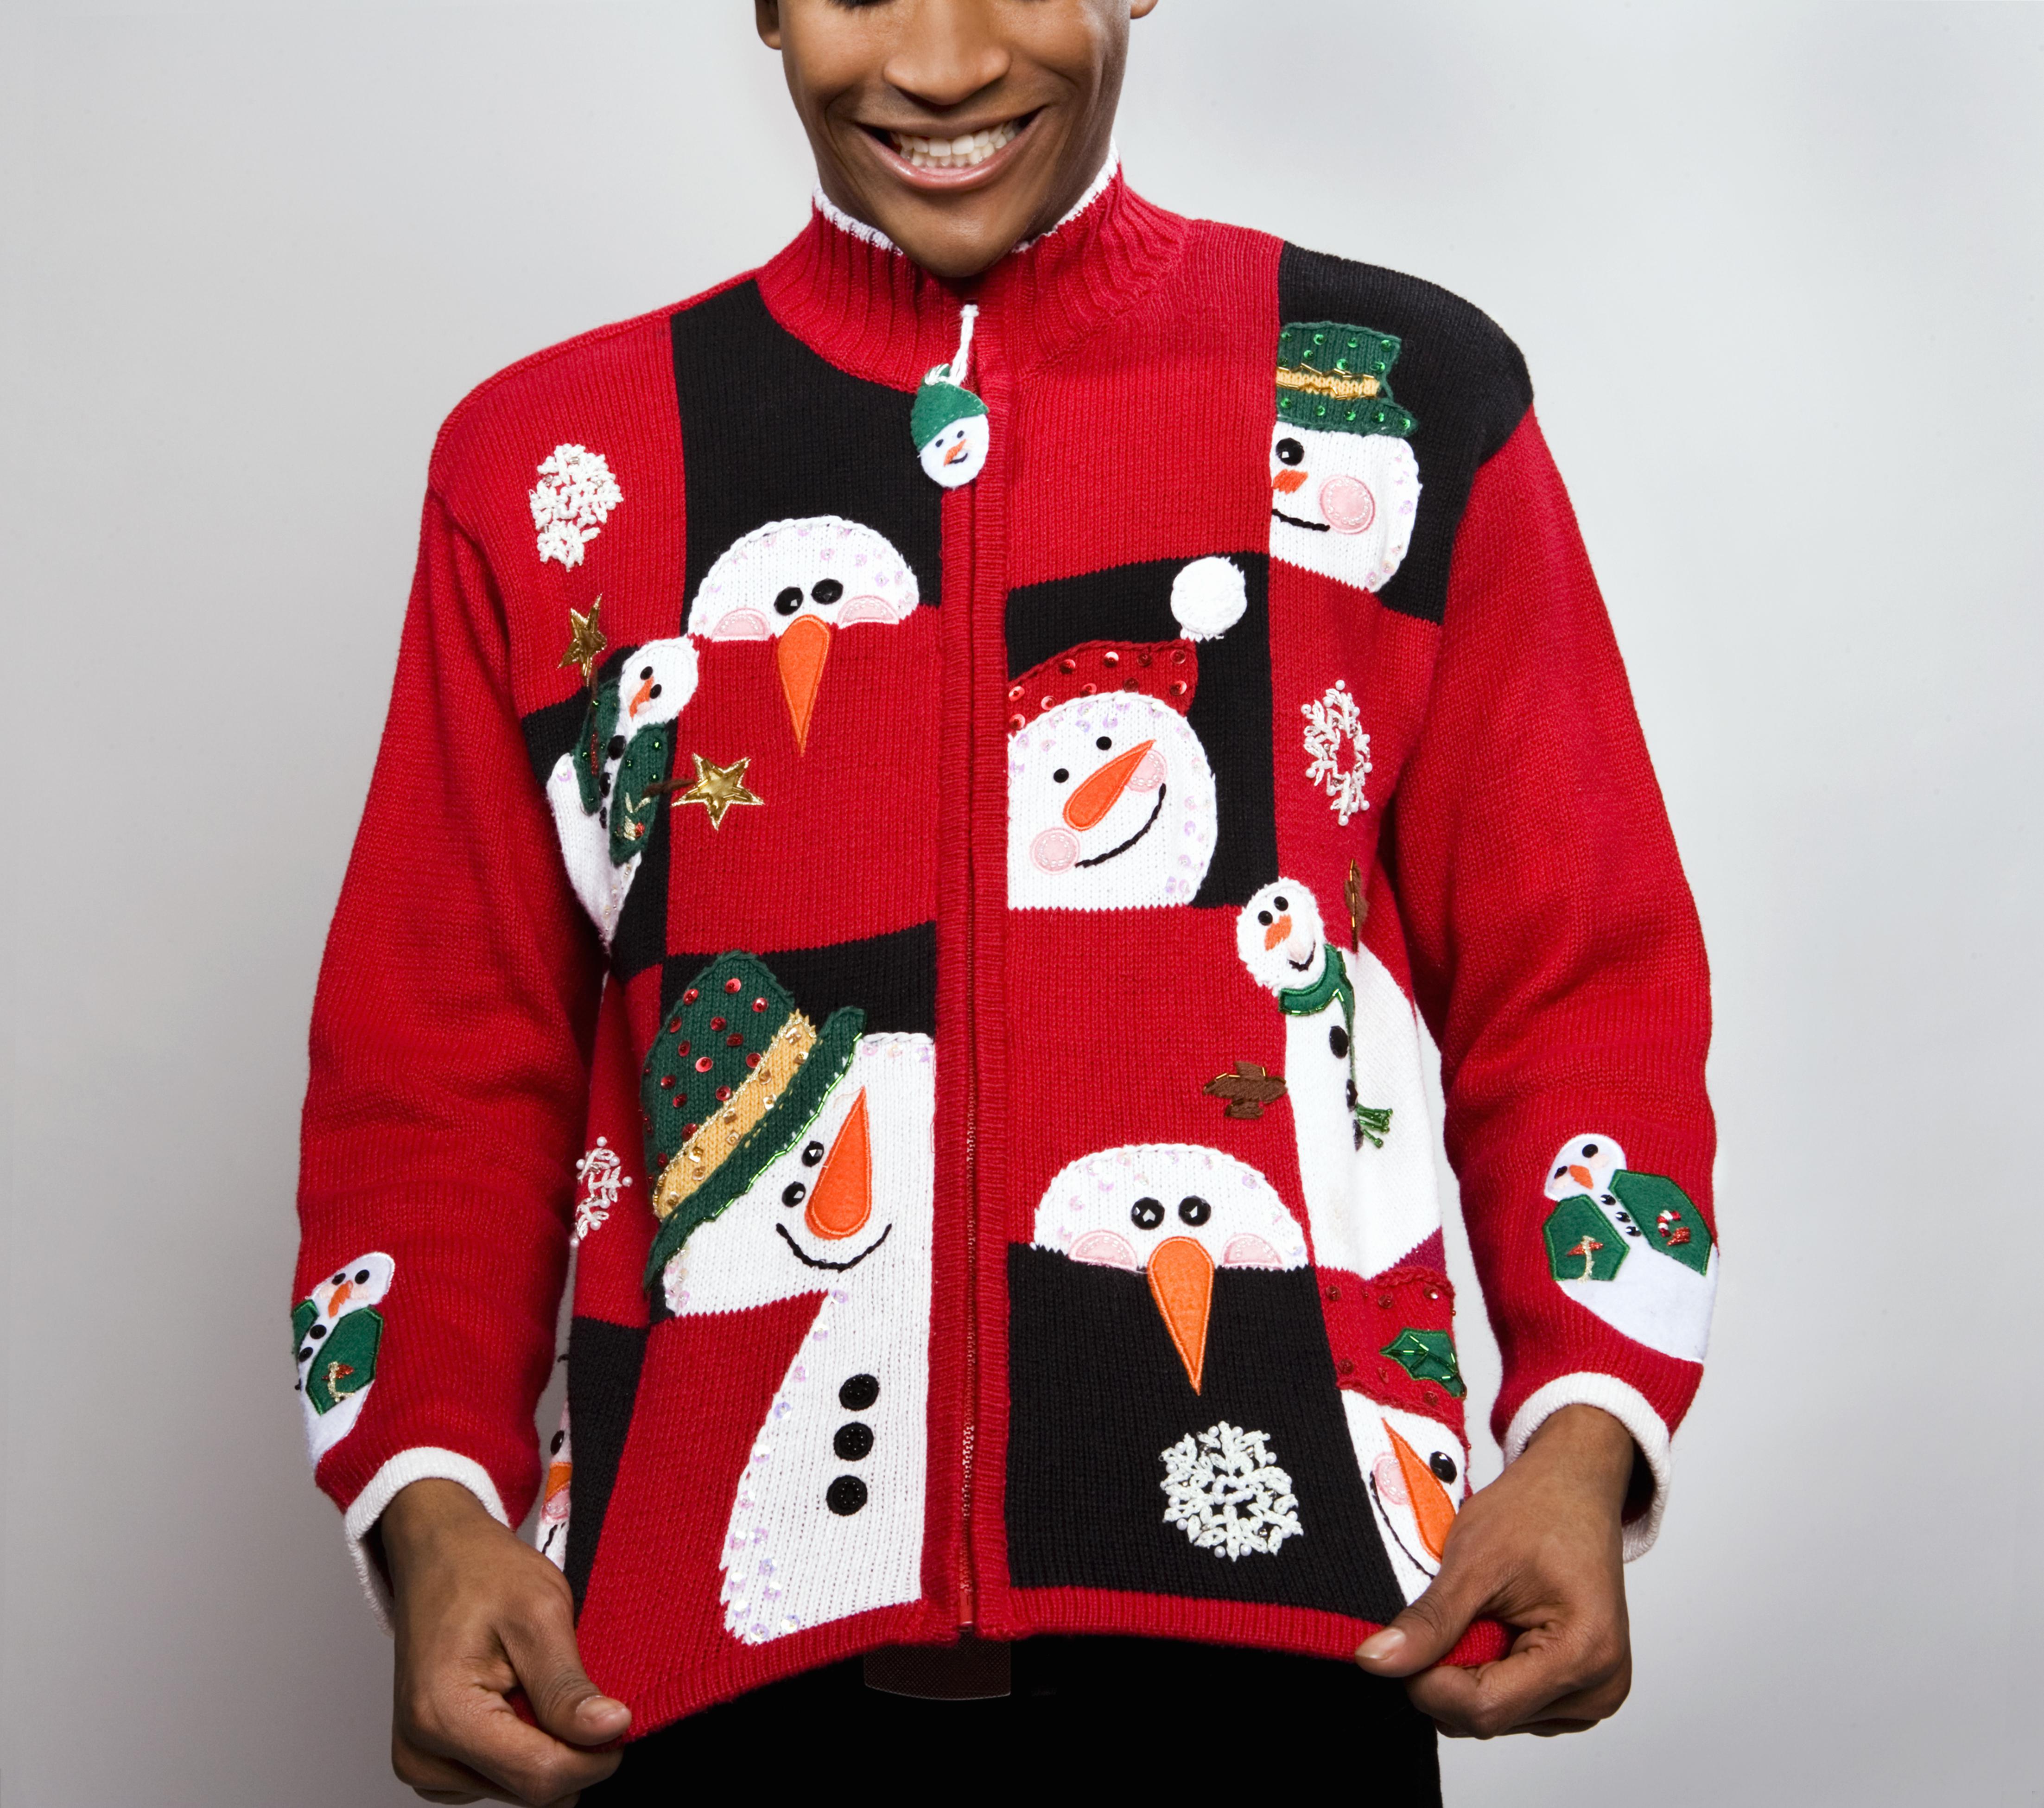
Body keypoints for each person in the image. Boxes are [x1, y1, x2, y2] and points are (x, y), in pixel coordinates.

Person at [292, 2, 1716, 1800]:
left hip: (1290, 1657)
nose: (944, 62)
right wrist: (428, 1502)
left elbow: (1579, 973)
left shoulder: (1391, 393)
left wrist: (1584, 1433)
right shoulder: (551, 461)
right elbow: (438, 1051)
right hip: (690, 1675)